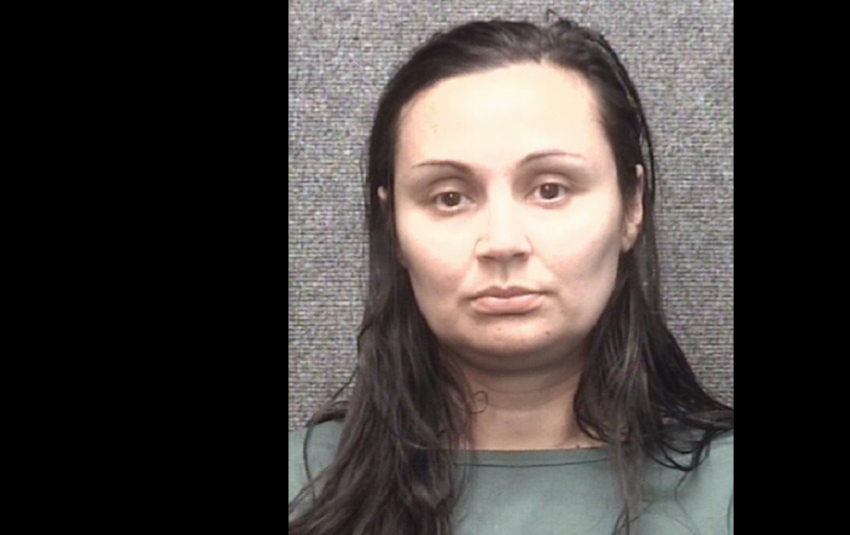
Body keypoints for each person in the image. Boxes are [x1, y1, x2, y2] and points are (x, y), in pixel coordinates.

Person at [288, 17, 734, 535]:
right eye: (449, 198)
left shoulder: (721, 486)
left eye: (550, 189)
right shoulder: (303, 485)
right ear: (393, 228)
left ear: (631, 206)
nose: (502, 242)